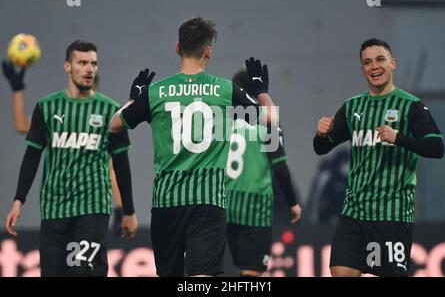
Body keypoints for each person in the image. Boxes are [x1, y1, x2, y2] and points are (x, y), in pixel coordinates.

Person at [110, 17, 278, 277]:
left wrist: (134, 100)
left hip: (166, 203)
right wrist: (261, 90)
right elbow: (270, 119)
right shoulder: (225, 90)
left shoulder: (156, 92)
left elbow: (114, 125)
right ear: (208, 52)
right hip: (208, 202)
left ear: (178, 48)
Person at [4, 40, 138, 277]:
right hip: (54, 209)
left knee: (82, 273)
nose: (89, 68)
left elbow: (119, 164)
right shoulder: (47, 107)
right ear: (67, 66)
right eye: (83, 63)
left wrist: (127, 210)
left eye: (93, 64)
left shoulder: (110, 111)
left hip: (92, 208)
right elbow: (32, 154)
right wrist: (18, 199)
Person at [313, 38, 444, 277]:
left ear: (393, 64)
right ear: (362, 69)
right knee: (340, 272)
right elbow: (322, 148)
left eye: (380, 59)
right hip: (355, 211)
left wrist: (399, 138)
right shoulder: (352, 107)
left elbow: (437, 147)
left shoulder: (411, 106)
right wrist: (322, 135)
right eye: (367, 62)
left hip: (392, 213)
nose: (374, 66)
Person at [2, 61, 125, 236]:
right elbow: (22, 125)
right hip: (58, 207)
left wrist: (120, 209)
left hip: (90, 208)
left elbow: (112, 168)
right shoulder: (58, 116)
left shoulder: (102, 119)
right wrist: (16, 90)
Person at [225, 69, 302, 277]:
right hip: (255, 206)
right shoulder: (267, 121)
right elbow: (279, 165)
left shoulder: (220, 120)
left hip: (224, 205)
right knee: (252, 271)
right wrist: (292, 203)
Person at [306, 149, 349, 225]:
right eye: (344, 163)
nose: (346, 166)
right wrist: (313, 221)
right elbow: (316, 199)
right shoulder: (326, 176)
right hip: (325, 221)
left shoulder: (349, 179)